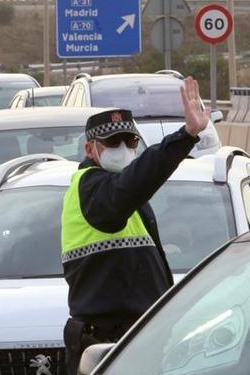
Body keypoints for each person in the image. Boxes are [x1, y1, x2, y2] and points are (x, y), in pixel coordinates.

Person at [61, 76, 211, 375]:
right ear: (91, 149)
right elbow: (135, 182)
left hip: (139, 335)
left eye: (130, 141)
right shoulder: (92, 189)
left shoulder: (122, 194)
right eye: (113, 142)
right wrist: (186, 135)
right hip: (106, 343)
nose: (124, 148)